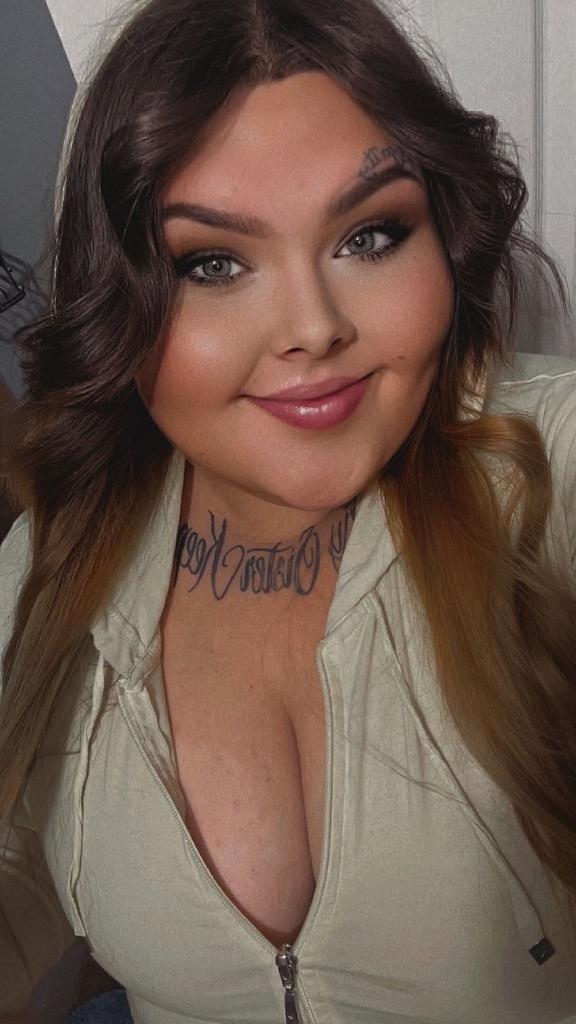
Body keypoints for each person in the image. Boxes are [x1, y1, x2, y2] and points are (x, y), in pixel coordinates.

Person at [1, 0, 576, 1021]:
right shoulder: (51, 561)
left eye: (371, 235)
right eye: (212, 263)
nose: (313, 327)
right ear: (114, 301)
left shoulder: (546, 470)